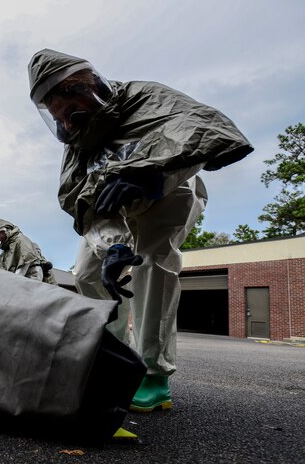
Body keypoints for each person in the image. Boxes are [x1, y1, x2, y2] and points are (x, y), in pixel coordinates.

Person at [28, 49, 253, 411]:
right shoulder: (78, 146)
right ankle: (116, 360)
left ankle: (153, 373)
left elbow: (206, 128)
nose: (68, 125)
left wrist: (150, 172)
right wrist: (112, 246)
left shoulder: (145, 97)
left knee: (153, 262)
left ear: (88, 88)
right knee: (89, 274)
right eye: (59, 119)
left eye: (72, 113)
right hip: (118, 208)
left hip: (168, 188)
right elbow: (80, 202)